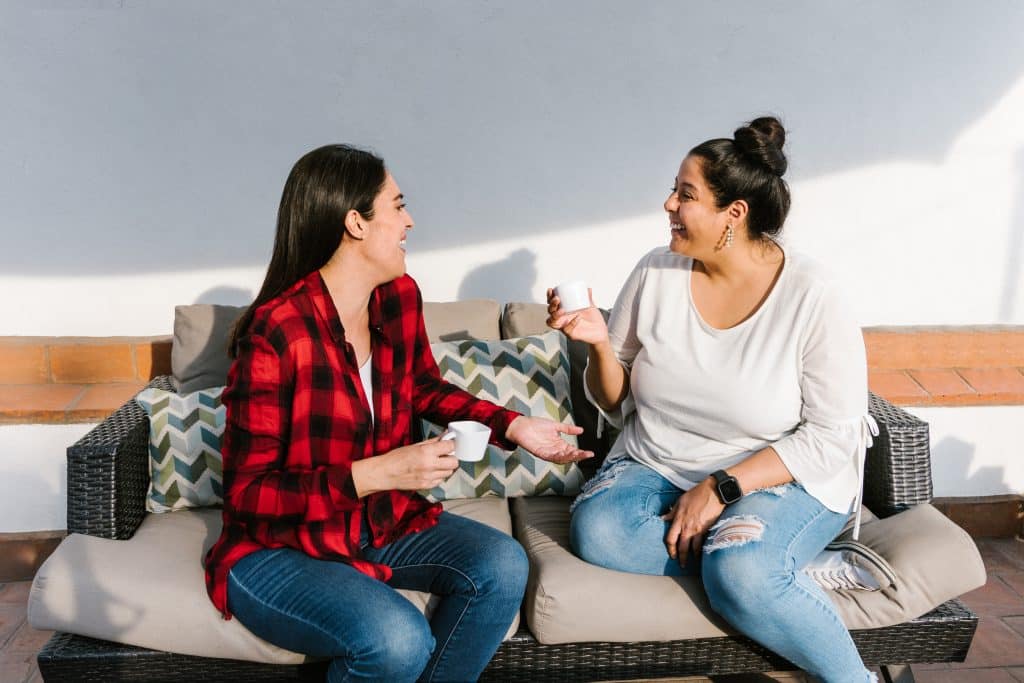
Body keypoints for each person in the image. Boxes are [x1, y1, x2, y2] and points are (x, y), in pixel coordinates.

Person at [203, 144, 592, 683]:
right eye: (398, 205)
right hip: (277, 547)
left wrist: (514, 425)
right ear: (355, 223)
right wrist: (378, 473)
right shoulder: (278, 331)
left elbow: (424, 387)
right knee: (398, 640)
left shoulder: (398, 296)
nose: (410, 221)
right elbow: (249, 494)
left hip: (376, 522)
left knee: (502, 565)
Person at [547, 117, 878, 683]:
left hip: (779, 474)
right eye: (673, 190)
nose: (668, 205)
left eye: (686, 194)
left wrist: (721, 488)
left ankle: (827, 648)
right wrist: (599, 345)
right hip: (660, 461)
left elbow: (834, 435)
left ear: (734, 214)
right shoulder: (656, 270)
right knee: (600, 532)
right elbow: (613, 396)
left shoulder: (813, 295)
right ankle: (777, 571)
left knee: (741, 571)